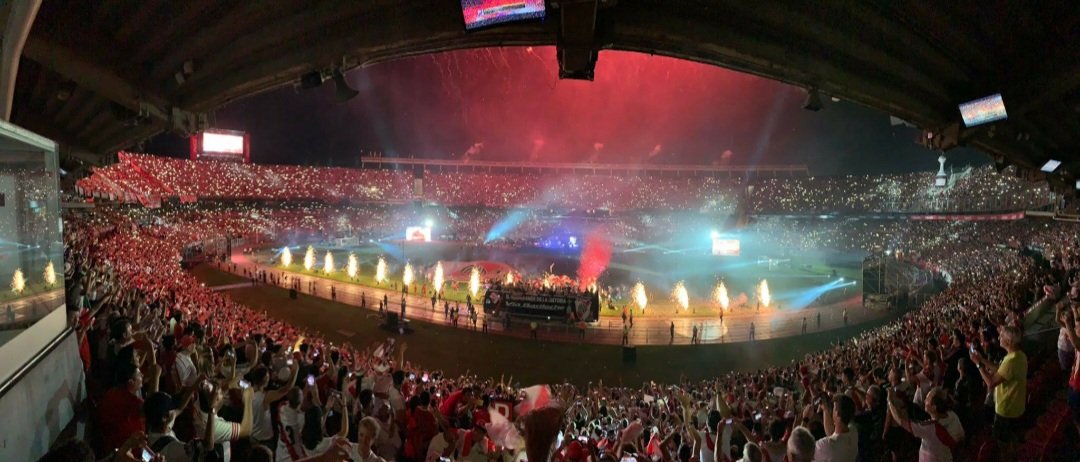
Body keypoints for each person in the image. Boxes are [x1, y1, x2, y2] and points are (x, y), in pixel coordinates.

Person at [969, 325, 1026, 458]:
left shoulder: (1011, 361)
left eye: (1002, 336)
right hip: (1016, 407)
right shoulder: (1019, 355)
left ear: (1009, 341)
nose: (999, 337)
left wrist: (978, 365)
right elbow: (1000, 370)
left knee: (1003, 446)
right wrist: (982, 360)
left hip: (1006, 410)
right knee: (1013, 439)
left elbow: (991, 383)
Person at [885, 386, 964, 462]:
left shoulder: (930, 428)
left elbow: (900, 420)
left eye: (927, 399)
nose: (924, 401)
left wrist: (889, 401)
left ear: (934, 407)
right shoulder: (952, 414)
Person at [813, 394, 858, 462]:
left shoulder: (825, 445)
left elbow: (800, 450)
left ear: (837, 413)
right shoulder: (853, 432)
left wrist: (805, 420)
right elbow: (832, 434)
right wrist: (825, 409)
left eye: (833, 408)